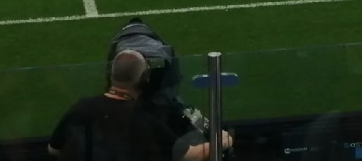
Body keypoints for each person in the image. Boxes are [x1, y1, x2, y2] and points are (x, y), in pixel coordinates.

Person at [48, 49, 232, 161]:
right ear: (145, 81)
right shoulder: (143, 119)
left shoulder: (82, 107)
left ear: (111, 75)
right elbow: (190, 156)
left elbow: (53, 149)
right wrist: (221, 141)